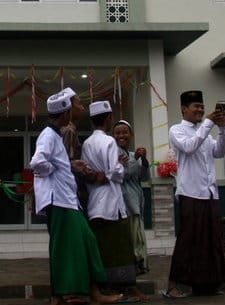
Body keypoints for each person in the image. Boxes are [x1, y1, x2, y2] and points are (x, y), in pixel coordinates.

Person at [30, 88, 120, 305]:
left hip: (68, 200)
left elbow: (52, 163)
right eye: (78, 104)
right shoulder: (48, 135)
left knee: (87, 242)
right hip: (58, 200)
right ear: (66, 112)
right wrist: (57, 168)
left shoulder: (55, 134)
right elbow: (37, 163)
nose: (82, 107)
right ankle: (64, 294)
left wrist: (69, 165)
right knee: (67, 248)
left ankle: (92, 292)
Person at [162, 90, 225, 299]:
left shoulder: (205, 131)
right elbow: (190, 147)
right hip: (191, 193)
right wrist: (209, 122)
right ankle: (174, 285)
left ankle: (206, 284)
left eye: (202, 107)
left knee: (211, 241)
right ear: (184, 109)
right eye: (196, 107)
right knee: (188, 241)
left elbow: (219, 152)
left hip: (209, 193)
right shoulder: (177, 130)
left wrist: (223, 128)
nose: (200, 110)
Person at [82, 101, 146, 302]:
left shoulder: (87, 143)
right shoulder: (109, 142)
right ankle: (117, 290)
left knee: (102, 250)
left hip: (95, 203)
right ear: (108, 119)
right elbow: (116, 173)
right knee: (119, 250)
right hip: (111, 204)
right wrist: (118, 166)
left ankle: (108, 289)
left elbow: (90, 172)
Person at [113, 119, 150, 275]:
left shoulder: (131, 155)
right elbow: (124, 174)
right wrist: (136, 159)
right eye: (118, 133)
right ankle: (130, 269)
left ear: (131, 135)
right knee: (131, 240)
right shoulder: (113, 153)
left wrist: (145, 161)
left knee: (138, 238)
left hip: (136, 202)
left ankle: (139, 266)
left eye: (125, 132)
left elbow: (144, 177)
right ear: (113, 136)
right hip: (124, 203)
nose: (122, 135)